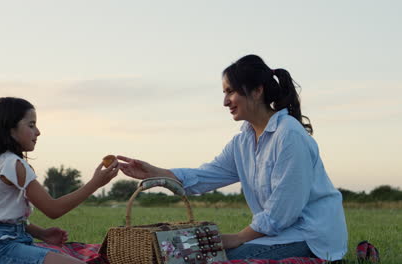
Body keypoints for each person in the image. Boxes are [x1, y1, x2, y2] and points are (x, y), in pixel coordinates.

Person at [117, 54, 348, 261]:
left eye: (231, 91)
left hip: (312, 237)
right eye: (225, 93)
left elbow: (281, 212)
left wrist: (238, 238)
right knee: (193, 255)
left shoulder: (289, 135)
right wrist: (155, 172)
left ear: (257, 91)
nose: (225, 101)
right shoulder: (243, 142)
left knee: (217, 258)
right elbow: (204, 176)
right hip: (277, 235)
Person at [0, 97, 119, 264]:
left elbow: (3, 219)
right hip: (1, 248)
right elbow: (53, 209)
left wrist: (42, 234)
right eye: (31, 125)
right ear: (10, 129)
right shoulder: (13, 164)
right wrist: (95, 183)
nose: (38, 132)